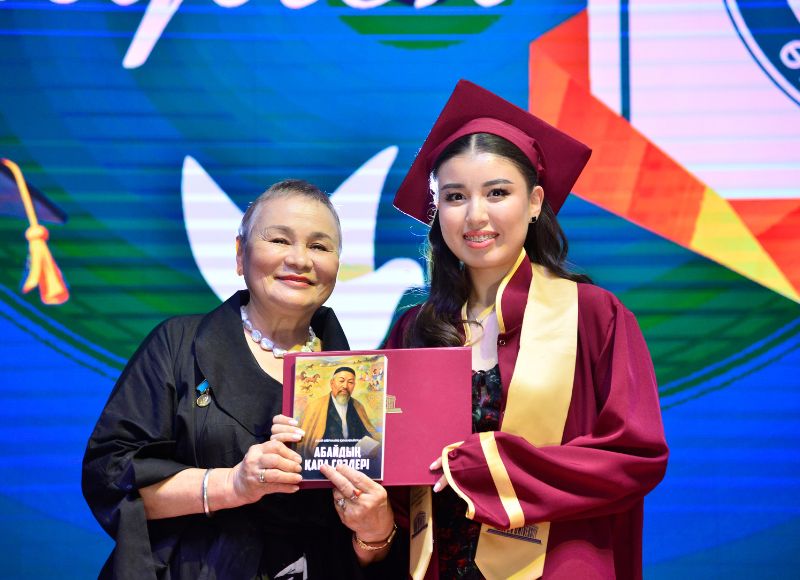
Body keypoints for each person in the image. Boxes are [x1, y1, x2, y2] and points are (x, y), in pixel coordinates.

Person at [384, 80, 669, 579]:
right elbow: (392, 469)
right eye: (455, 196)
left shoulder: (592, 316)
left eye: (497, 193)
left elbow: (635, 454)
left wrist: (491, 468)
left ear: (535, 202)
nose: (476, 215)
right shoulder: (415, 329)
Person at [82, 179, 400, 579]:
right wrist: (233, 485)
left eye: (320, 246)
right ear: (240, 253)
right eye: (279, 240)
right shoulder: (177, 345)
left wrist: (376, 533)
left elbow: (366, 549)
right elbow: (112, 477)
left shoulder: (365, 379)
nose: (300, 259)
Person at [297, 366, 381, 459]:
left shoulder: (358, 406)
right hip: (324, 461)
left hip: (355, 461)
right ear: (332, 383)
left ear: (354, 385)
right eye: (341, 381)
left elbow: (367, 432)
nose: (345, 386)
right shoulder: (315, 407)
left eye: (350, 382)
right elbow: (306, 444)